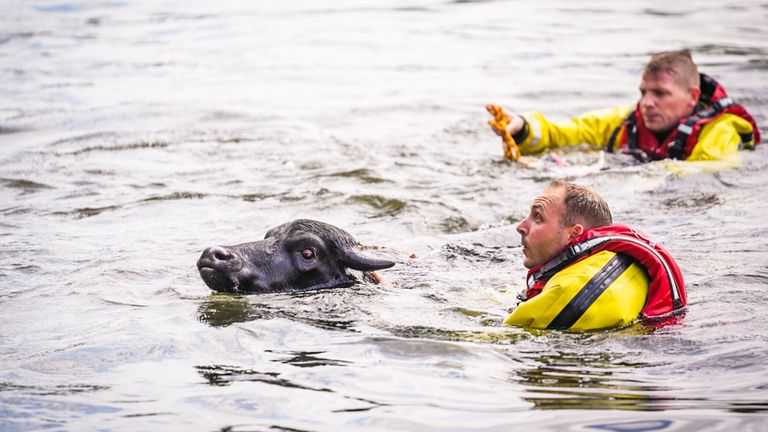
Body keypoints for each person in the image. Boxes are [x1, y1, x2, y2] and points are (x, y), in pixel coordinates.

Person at [488, 50, 760, 162]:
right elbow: (565, 132)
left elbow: (710, 171)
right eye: (643, 92)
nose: (647, 103)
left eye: (660, 93)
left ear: (692, 96)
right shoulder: (625, 120)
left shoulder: (722, 129)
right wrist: (522, 128)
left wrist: (622, 171)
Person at [504, 181, 687, 331]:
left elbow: (502, 339)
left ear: (573, 235)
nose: (521, 226)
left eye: (537, 217)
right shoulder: (620, 263)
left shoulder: (567, 291)